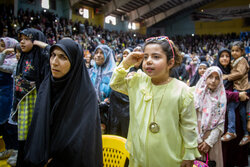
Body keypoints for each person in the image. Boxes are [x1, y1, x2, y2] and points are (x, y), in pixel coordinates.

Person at [110, 36, 200, 167]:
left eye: (156, 57)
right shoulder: (138, 81)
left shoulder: (182, 91)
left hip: (169, 156)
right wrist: (126, 63)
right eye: (145, 57)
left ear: (170, 63)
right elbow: (115, 83)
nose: (149, 61)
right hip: (139, 157)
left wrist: (189, 153)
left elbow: (189, 125)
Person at [24, 38, 103, 167]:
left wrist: (55, 160)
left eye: (63, 57)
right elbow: (37, 127)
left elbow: (81, 142)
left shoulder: (86, 94)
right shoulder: (46, 86)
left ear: (74, 62)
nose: (54, 62)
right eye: (53, 55)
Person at [11, 28, 50, 167]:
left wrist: (41, 44)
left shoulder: (42, 57)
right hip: (22, 103)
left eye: (26, 39)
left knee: (33, 136)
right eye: (20, 39)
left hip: (34, 101)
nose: (21, 42)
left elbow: (52, 52)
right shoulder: (22, 57)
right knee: (23, 138)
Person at [215, 48, 249, 167]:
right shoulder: (215, 72)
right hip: (222, 116)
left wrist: (242, 95)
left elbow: (245, 90)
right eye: (222, 56)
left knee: (238, 147)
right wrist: (237, 95)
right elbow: (218, 93)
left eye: (227, 56)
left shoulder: (234, 72)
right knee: (225, 151)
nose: (225, 58)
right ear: (218, 58)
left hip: (237, 115)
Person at [194, 66, 226, 167]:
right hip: (195, 138)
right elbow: (190, 119)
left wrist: (208, 142)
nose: (213, 81)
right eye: (210, 77)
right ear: (205, 77)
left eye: (217, 78)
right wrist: (198, 140)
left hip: (212, 140)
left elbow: (220, 123)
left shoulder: (221, 98)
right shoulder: (196, 95)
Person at [221, 41, 250, 145]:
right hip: (239, 88)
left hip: (241, 89)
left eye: (237, 51)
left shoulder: (242, 60)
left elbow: (240, 73)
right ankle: (246, 134)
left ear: (242, 51)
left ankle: (231, 131)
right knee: (242, 112)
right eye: (232, 50)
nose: (234, 53)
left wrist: (227, 76)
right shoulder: (235, 61)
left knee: (231, 106)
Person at [89, 44, 116, 133]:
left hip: (107, 115)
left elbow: (116, 95)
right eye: (96, 52)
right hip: (90, 113)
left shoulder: (114, 74)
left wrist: (107, 102)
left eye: (102, 53)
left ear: (107, 55)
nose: (98, 55)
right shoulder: (90, 73)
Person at [0, 37, 19, 166]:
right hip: (1, 96)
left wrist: (3, 54)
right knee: (2, 125)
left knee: (10, 125)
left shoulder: (15, 61)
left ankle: (16, 150)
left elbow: (3, 68)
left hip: (9, 96)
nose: (2, 48)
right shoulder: (3, 59)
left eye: (3, 45)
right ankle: (9, 147)